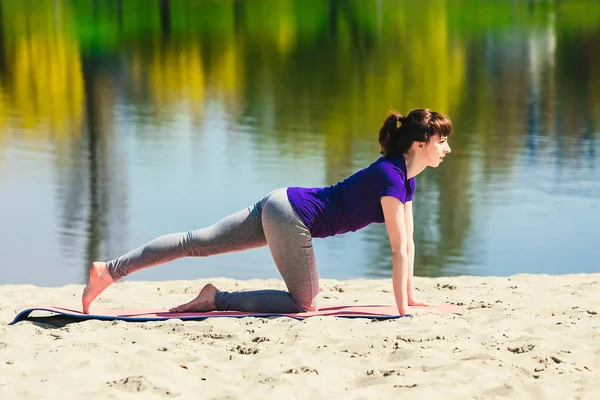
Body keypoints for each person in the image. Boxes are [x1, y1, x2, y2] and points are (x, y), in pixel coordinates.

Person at [82, 108, 452, 316]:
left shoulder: (404, 178)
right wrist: (402, 311)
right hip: (292, 218)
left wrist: (410, 297)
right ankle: (217, 299)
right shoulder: (390, 177)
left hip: (282, 202)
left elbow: (410, 243)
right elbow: (398, 248)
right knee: (303, 304)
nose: (447, 148)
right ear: (420, 144)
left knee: (198, 241)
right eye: (442, 141)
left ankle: (108, 270)